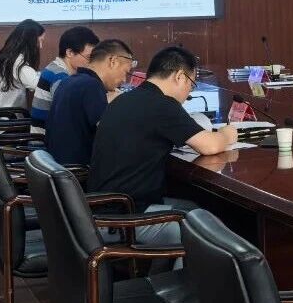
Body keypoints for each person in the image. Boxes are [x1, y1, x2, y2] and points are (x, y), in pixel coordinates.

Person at [89, 46, 238, 246]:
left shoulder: (126, 98)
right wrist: (228, 133)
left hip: (104, 209)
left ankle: (164, 265)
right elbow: (209, 146)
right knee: (201, 231)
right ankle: (182, 268)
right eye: (191, 84)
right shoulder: (162, 104)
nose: (189, 92)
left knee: (194, 209)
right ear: (180, 76)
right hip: (123, 219)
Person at [44, 39, 135, 166]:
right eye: (125, 72)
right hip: (78, 170)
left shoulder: (70, 81)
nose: (124, 79)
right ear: (113, 61)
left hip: (57, 165)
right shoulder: (92, 86)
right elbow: (112, 136)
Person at [30, 26, 100, 134]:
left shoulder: (57, 68)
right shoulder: (59, 76)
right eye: (88, 57)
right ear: (70, 53)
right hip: (45, 140)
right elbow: (72, 112)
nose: (91, 62)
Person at [0, 19, 45, 109]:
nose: (41, 46)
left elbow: (31, 76)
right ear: (30, 40)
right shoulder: (17, 62)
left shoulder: (8, 56)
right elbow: (37, 84)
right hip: (7, 116)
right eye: (40, 41)